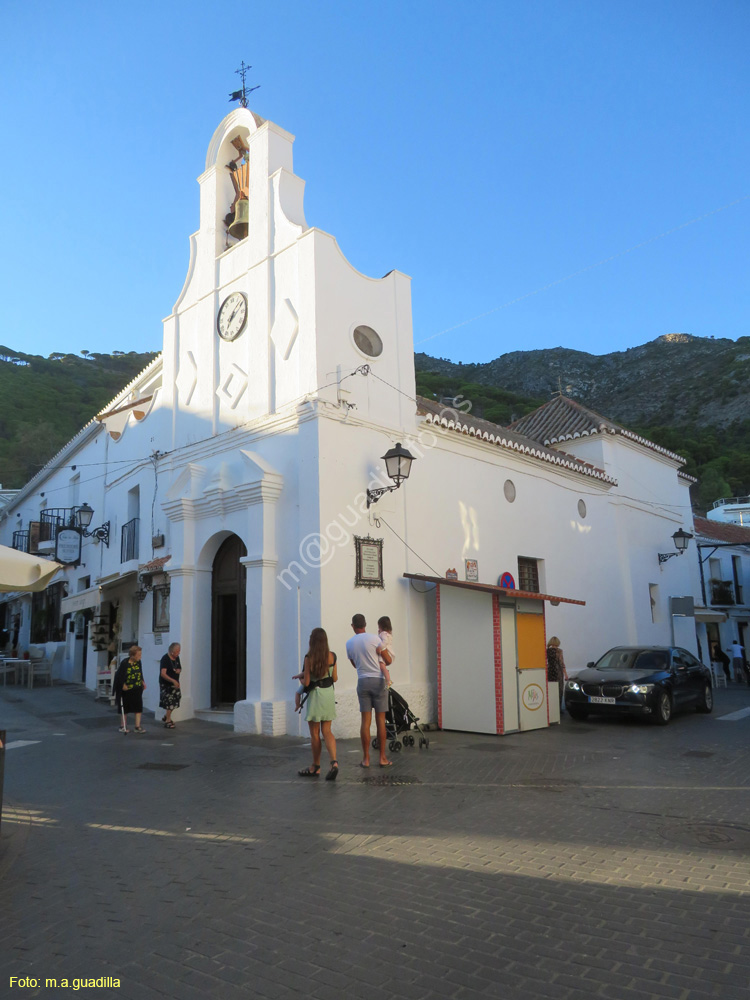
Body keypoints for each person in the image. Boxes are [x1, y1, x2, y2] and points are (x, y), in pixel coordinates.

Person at [346, 613, 393, 768]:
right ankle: (382, 757)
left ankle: (366, 759)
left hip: (363, 680)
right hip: (378, 681)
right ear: (365, 624)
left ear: (353, 626)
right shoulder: (375, 639)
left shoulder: (349, 643)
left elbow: (354, 664)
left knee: (365, 722)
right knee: (380, 720)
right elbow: (387, 660)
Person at [298, 628, 339, 780]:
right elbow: (334, 678)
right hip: (328, 694)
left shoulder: (309, 658)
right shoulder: (332, 656)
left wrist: (300, 680)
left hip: (315, 696)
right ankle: (334, 762)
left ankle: (316, 766)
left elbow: (307, 682)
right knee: (327, 731)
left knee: (315, 734)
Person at [114, 645, 146, 734]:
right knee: (125, 708)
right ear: (132, 655)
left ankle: (137, 726)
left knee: (138, 707)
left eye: (140, 654)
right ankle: (123, 726)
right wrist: (123, 684)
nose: (140, 657)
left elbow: (140, 672)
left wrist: (143, 682)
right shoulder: (125, 663)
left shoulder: (139, 662)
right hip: (127, 689)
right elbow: (119, 676)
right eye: (138, 655)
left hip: (137, 688)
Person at [159, 642, 182, 728]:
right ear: (172, 652)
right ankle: (168, 720)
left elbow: (179, 667)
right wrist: (172, 681)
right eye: (177, 651)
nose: (178, 653)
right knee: (169, 702)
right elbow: (163, 673)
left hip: (175, 684)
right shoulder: (165, 659)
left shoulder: (176, 658)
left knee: (176, 700)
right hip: (166, 684)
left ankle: (166, 716)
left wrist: (178, 670)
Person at [546, 636, 568, 711]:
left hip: (550, 672)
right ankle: (558, 709)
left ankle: (551, 709)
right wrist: (565, 674)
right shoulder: (559, 651)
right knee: (559, 691)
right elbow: (562, 663)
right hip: (558, 672)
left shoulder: (547, 651)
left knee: (551, 690)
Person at [378, 616, 394, 680]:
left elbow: (384, 641)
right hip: (389, 652)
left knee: (382, 666)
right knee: (383, 666)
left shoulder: (383, 634)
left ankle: (388, 680)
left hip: (385, 651)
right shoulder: (389, 634)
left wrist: (379, 648)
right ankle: (387, 678)